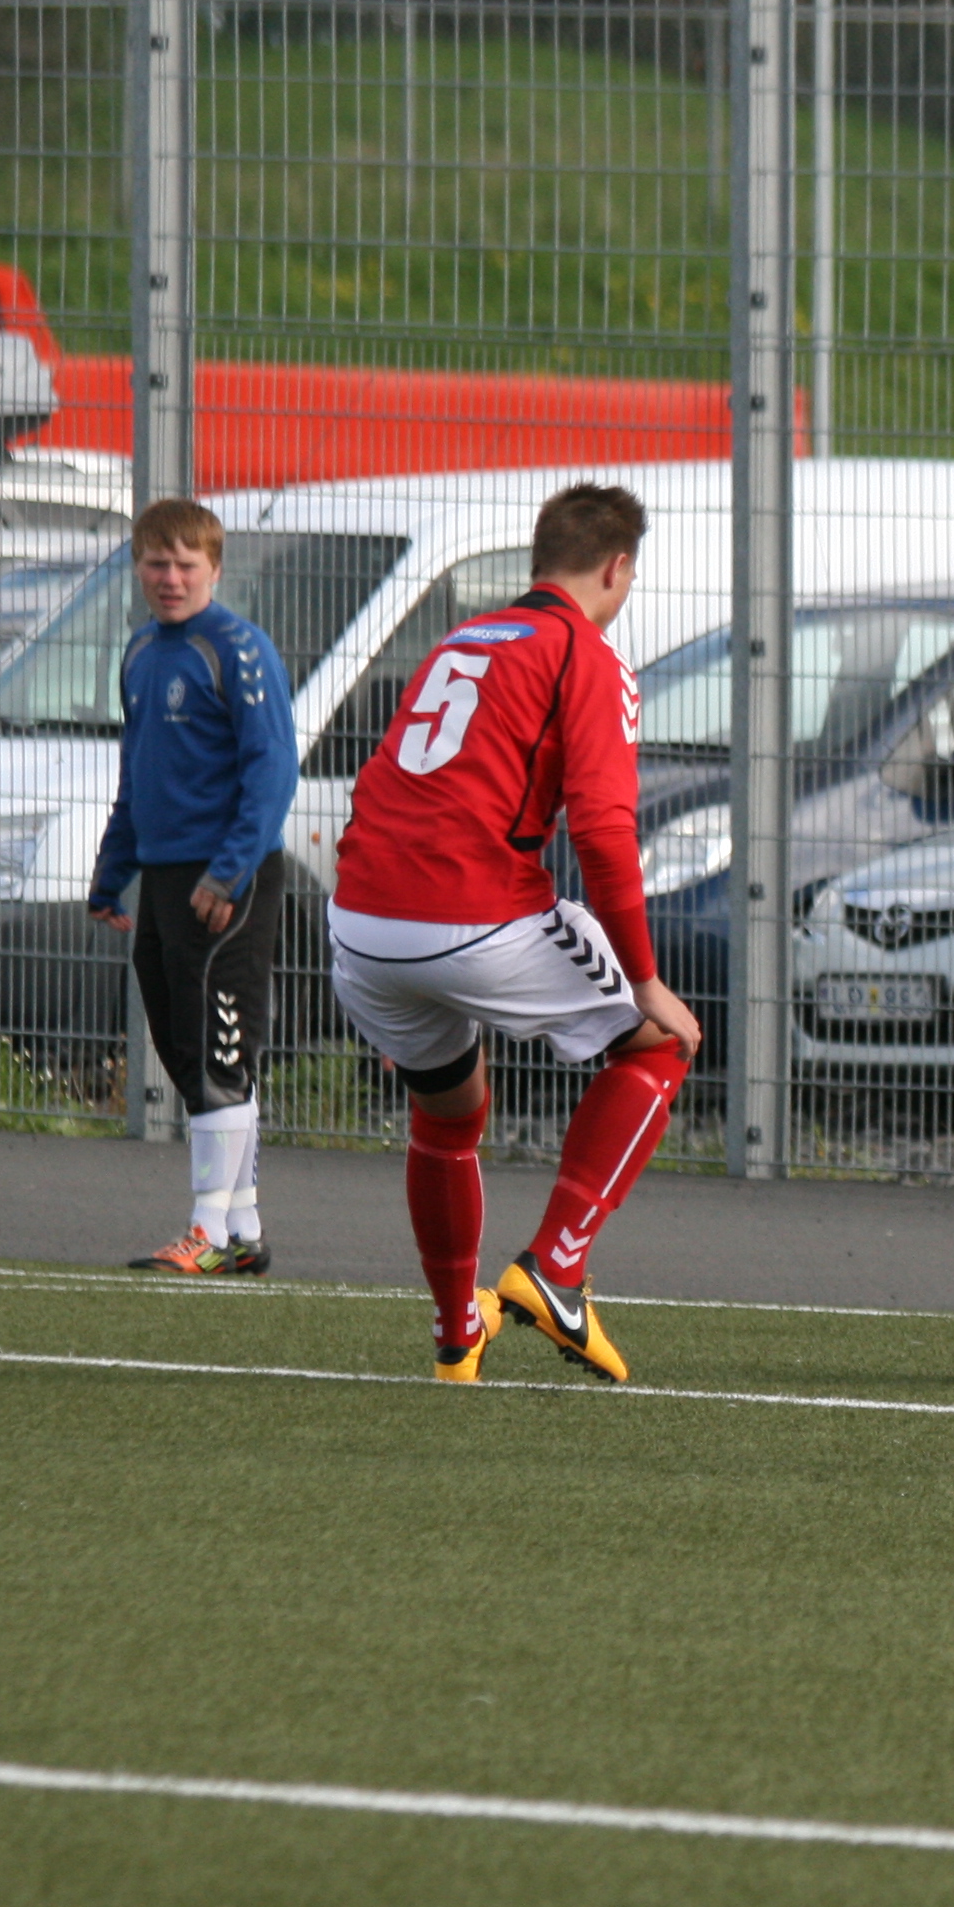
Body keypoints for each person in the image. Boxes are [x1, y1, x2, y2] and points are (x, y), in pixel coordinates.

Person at [325, 481, 698, 1382]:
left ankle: (459, 1334)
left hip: (361, 927)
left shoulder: (462, 640)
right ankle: (556, 1269)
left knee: (450, 1115)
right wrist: (644, 980)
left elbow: (391, 780)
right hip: (470, 917)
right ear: (618, 568)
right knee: (664, 1042)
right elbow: (604, 833)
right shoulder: (587, 655)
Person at [90, 496, 299, 1276]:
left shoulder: (237, 650)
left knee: (218, 1047)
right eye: (157, 563)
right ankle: (241, 1228)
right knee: (183, 1045)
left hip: (228, 878)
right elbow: (137, 771)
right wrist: (113, 871)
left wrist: (228, 871)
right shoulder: (142, 651)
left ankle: (207, 1231)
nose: (170, 578)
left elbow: (273, 770)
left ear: (214, 569)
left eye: (186, 565)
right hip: (165, 876)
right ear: (138, 568)